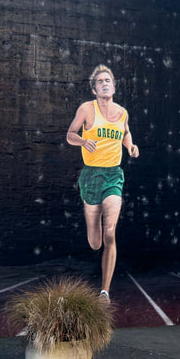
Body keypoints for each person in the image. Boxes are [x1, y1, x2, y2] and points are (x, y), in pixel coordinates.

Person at [66, 65, 139, 302]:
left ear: (114, 86)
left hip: (113, 176)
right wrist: (82, 142)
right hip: (91, 177)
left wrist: (130, 146)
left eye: (108, 80)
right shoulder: (87, 109)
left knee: (110, 231)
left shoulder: (123, 112)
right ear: (95, 89)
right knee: (95, 242)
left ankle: (104, 292)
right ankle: (93, 224)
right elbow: (70, 134)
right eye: (100, 81)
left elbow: (125, 132)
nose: (105, 83)